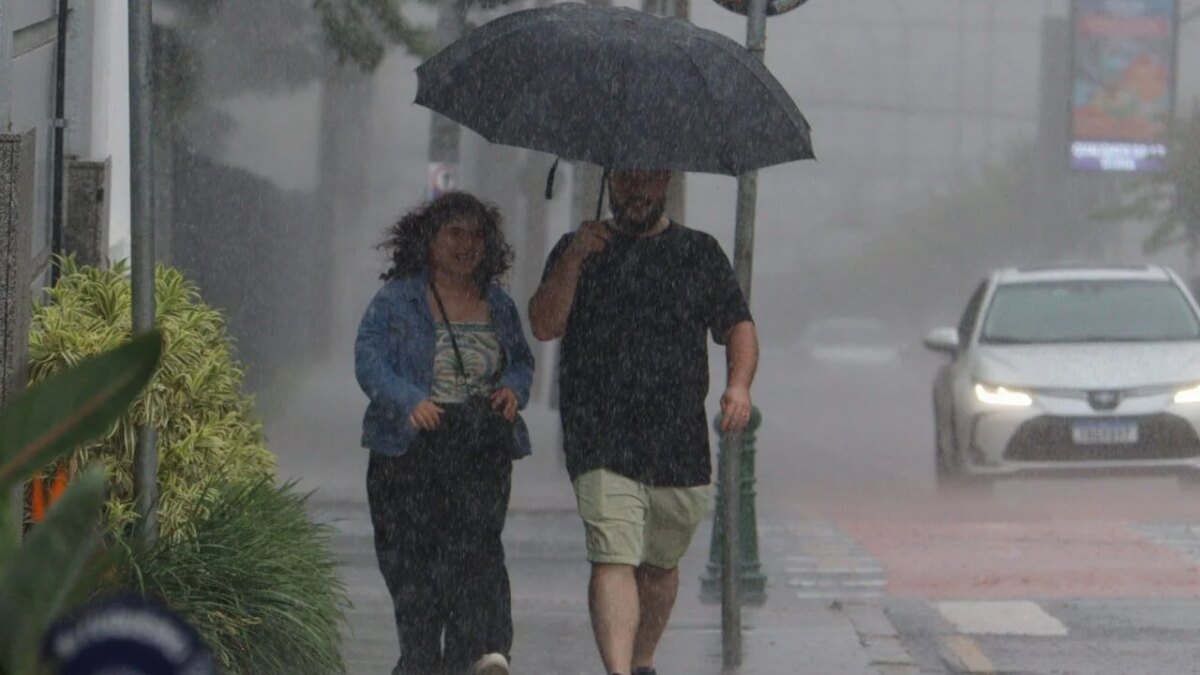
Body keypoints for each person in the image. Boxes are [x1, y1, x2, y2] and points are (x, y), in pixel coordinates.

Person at [528, 169, 759, 675]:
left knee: (659, 566)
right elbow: (544, 323)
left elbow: (737, 325)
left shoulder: (699, 253)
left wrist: (738, 384)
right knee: (613, 556)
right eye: (627, 179)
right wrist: (574, 258)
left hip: (678, 439)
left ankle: (641, 660)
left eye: (649, 180)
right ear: (610, 182)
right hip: (599, 435)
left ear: (668, 184)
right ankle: (617, 671)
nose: (637, 191)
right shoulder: (578, 249)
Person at [355, 191, 535, 675]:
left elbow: (520, 362)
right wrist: (408, 400)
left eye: (476, 235)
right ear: (429, 241)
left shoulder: (498, 304)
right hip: (408, 454)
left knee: (475, 557)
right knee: (413, 575)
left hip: (479, 448)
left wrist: (514, 391)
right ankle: (420, 663)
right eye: (455, 233)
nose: (467, 244)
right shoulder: (397, 300)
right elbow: (369, 362)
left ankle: (482, 654)